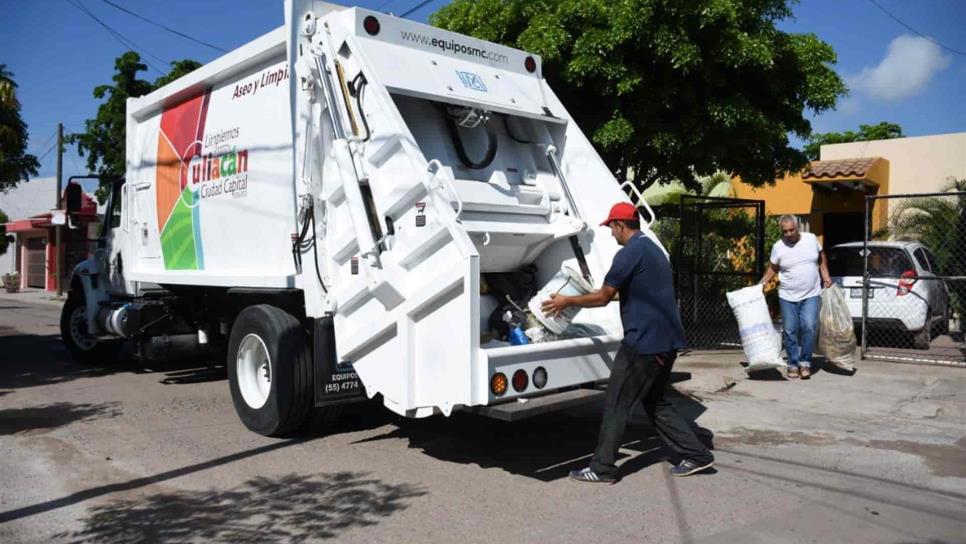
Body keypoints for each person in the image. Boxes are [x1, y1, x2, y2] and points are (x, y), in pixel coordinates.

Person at [542, 202, 715, 484]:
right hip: (666, 341)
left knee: (616, 404)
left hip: (644, 343)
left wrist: (567, 300)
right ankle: (697, 454)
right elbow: (638, 291)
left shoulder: (629, 253)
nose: (611, 234)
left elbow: (603, 297)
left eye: (611, 228)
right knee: (655, 402)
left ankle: (603, 468)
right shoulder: (652, 249)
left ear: (621, 225)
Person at [759, 215, 832, 380]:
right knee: (790, 330)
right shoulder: (778, 247)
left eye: (791, 230)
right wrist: (761, 284)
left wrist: (825, 274)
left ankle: (805, 362)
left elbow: (821, 257)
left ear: (797, 228)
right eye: (785, 231)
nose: (788, 234)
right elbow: (773, 268)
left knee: (809, 326)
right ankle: (793, 363)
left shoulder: (811, 239)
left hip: (811, 294)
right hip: (787, 295)